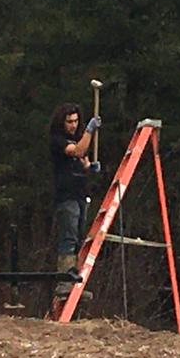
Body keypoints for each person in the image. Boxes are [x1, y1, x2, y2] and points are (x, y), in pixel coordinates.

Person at [49, 103, 101, 296]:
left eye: (76, 121)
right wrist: (89, 131)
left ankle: (76, 281)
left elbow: (82, 160)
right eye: (69, 121)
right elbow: (77, 151)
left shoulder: (77, 139)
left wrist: (91, 167)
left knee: (79, 238)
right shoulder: (58, 140)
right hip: (66, 196)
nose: (73, 125)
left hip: (80, 195)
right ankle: (64, 282)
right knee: (68, 238)